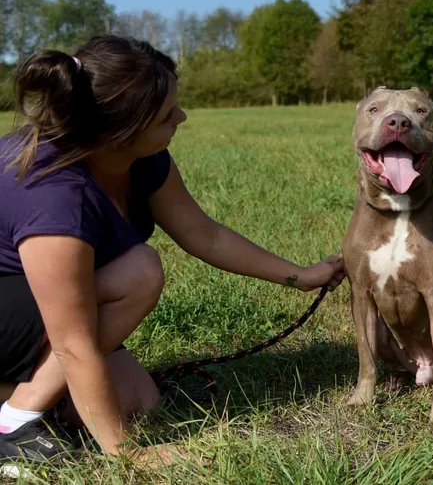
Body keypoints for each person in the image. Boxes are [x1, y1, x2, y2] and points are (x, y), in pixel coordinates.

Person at [0, 34, 345, 467]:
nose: (181, 117)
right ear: (118, 131)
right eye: (166, 116)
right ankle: (17, 418)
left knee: (138, 400)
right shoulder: (54, 195)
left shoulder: (138, 159)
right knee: (139, 270)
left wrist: (300, 275)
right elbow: (72, 343)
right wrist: (129, 456)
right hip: (10, 314)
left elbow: (204, 234)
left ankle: (27, 398)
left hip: (32, 313)